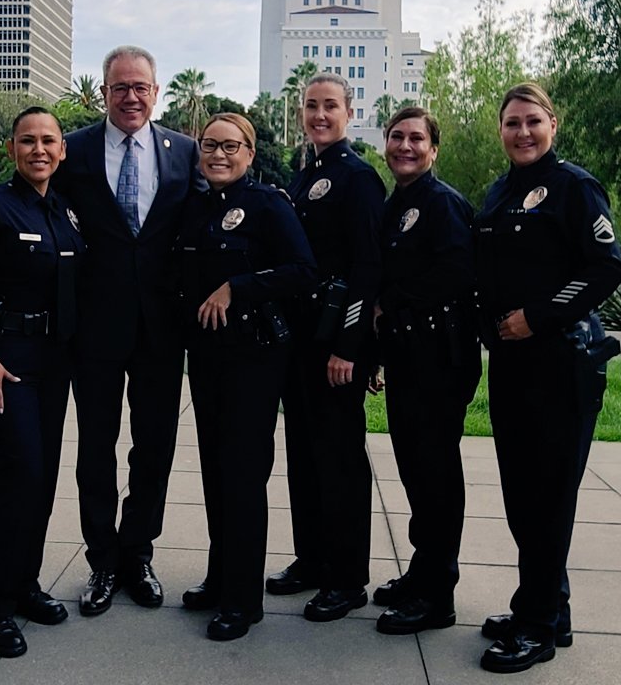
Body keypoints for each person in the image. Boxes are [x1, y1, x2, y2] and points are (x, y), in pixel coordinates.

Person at [475, 83, 621, 674]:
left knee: (548, 498)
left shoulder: (574, 188)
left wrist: (538, 315)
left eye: (533, 121)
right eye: (512, 123)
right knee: (521, 498)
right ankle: (545, 609)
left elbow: (606, 266)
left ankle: (535, 626)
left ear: (553, 125)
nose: (523, 132)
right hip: (514, 366)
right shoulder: (498, 192)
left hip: (563, 363)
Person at [52, 45, 203, 616]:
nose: (131, 97)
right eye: (120, 88)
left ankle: (138, 552)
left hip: (163, 329)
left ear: (156, 92)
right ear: (105, 93)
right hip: (93, 329)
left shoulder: (185, 152)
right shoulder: (75, 150)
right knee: (95, 447)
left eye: (141, 87)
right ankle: (101, 559)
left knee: (154, 446)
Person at [178, 114, 316, 641]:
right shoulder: (194, 206)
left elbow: (304, 271)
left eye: (230, 146)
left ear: (249, 153)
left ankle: (242, 600)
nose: (218, 154)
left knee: (241, 474)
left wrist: (239, 286)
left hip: (254, 359)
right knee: (216, 471)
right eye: (210, 145)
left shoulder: (268, 205)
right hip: (208, 358)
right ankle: (220, 576)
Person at [0, 107, 85, 658]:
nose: (38, 149)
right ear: (12, 149)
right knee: (17, 478)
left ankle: (23, 583)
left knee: (42, 479)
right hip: (4, 365)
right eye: (27, 140)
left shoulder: (66, 214)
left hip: (53, 363)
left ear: (61, 151)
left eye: (48, 141)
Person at [266, 73, 384, 622]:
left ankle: (347, 576)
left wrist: (350, 346)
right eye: (310, 105)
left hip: (335, 344)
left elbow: (367, 268)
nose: (318, 114)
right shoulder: (305, 171)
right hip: (301, 341)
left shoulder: (357, 177)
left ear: (348, 110)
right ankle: (312, 558)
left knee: (338, 460)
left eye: (329, 106)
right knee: (304, 458)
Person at [373, 107, 481, 634]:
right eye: (397, 137)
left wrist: (390, 301)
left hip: (441, 360)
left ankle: (437, 597)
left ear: (434, 149)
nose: (406, 146)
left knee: (436, 478)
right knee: (417, 474)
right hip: (408, 358)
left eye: (417, 138)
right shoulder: (398, 205)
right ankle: (422, 572)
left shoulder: (441, 203)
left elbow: (458, 273)